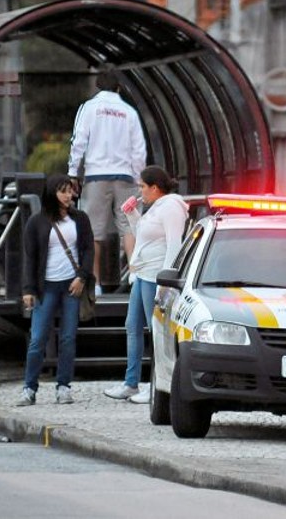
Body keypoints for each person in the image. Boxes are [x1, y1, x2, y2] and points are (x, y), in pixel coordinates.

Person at [103, 166, 188, 403]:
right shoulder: (155, 208)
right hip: (142, 274)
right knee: (133, 325)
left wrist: (166, 280)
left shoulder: (171, 207)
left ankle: (157, 386)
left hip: (155, 276)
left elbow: (174, 244)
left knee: (157, 331)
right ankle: (131, 383)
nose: (140, 190)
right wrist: (132, 214)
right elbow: (143, 234)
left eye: (142, 186)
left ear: (155, 188)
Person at [68, 65, 148, 298]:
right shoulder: (129, 112)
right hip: (125, 176)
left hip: (96, 176)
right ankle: (135, 276)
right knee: (130, 226)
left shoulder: (89, 108)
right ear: (119, 87)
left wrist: (73, 173)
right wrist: (138, 178)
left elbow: (78, 141)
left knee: (94, 232)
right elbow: (138, 149)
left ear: (98, 86)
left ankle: (96, 283)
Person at [15, 174, 94, 407]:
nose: (69, 196)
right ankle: (29, 387)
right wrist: (28, 289)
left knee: (68, 338)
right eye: (63, 191)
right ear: (52, 193)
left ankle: (64, 386)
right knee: (38, 338)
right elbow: (30, 258)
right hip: (45, 286)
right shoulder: (37, 222)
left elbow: (89, 250)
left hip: (72, 286)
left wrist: (82, 276)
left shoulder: (80, 219)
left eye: (70, 191)